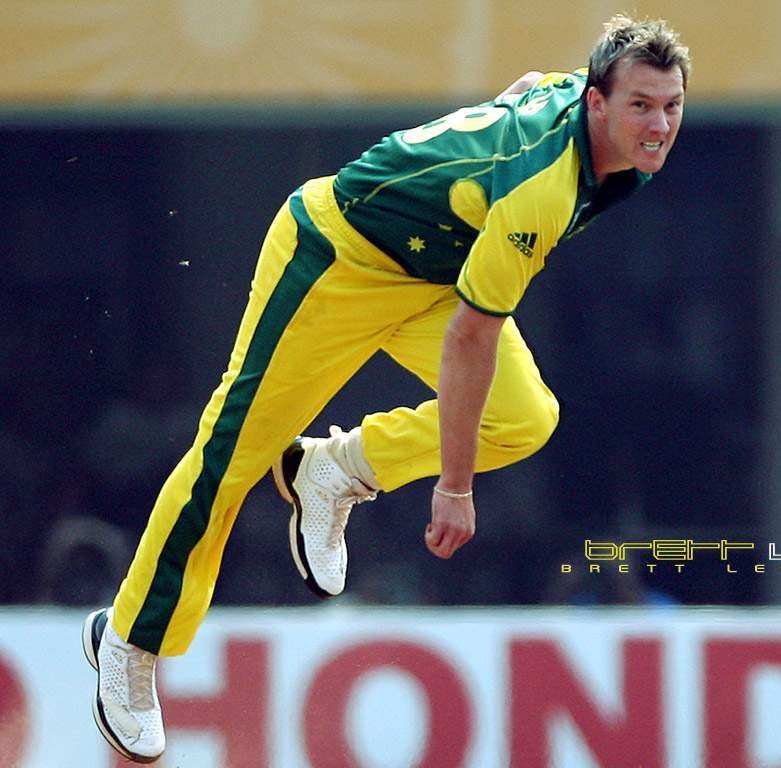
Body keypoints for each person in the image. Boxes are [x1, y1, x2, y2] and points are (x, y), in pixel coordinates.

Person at [81, 14, 689, 762]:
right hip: (335, 260)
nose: (658, 125)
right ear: (597, 102)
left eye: (671, 106)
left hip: (428, 276)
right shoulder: (542, 192)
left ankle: (334, 469)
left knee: (523, 418)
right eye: (640, 105)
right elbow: (471, 339)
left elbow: (531, 85)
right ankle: (128, 641)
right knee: (229, 459)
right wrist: (454, 488)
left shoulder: (590, 117)